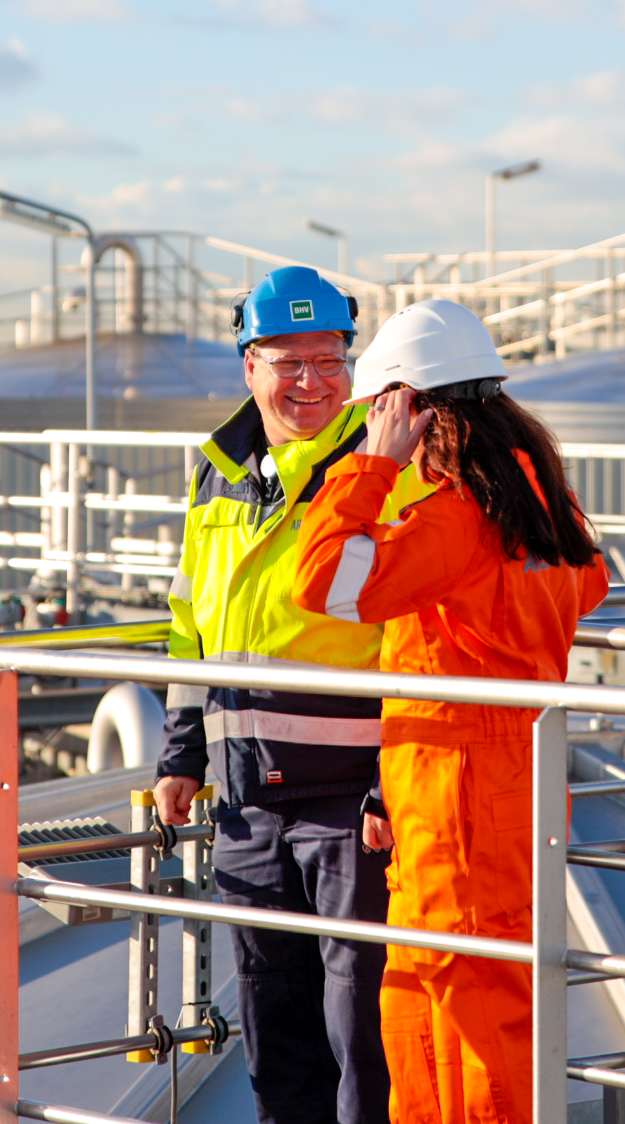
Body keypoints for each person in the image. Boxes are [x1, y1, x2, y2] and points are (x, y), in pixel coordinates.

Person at [294, 299, 610, 1124]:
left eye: (380, 413)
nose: (372, 430)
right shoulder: (544, 510)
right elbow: (588, 585)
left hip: (458, 796)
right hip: (490, 788)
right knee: (448, 1006)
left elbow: (324, 580)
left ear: (413, 411)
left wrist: (370, 467)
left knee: (462, 1020)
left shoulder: (457, 518)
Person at [153, 266, 433, 1124]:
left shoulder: (386, 469)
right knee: (275, 1035)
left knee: (364, 1041)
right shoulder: (217, 476)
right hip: (244, 804)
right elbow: (188, 625)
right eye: (289, 362)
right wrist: (182, 755)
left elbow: (422, 638)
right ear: (248, 365)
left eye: (330, 360)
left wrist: (395, 783)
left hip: (349, 804)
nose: (312, 382)